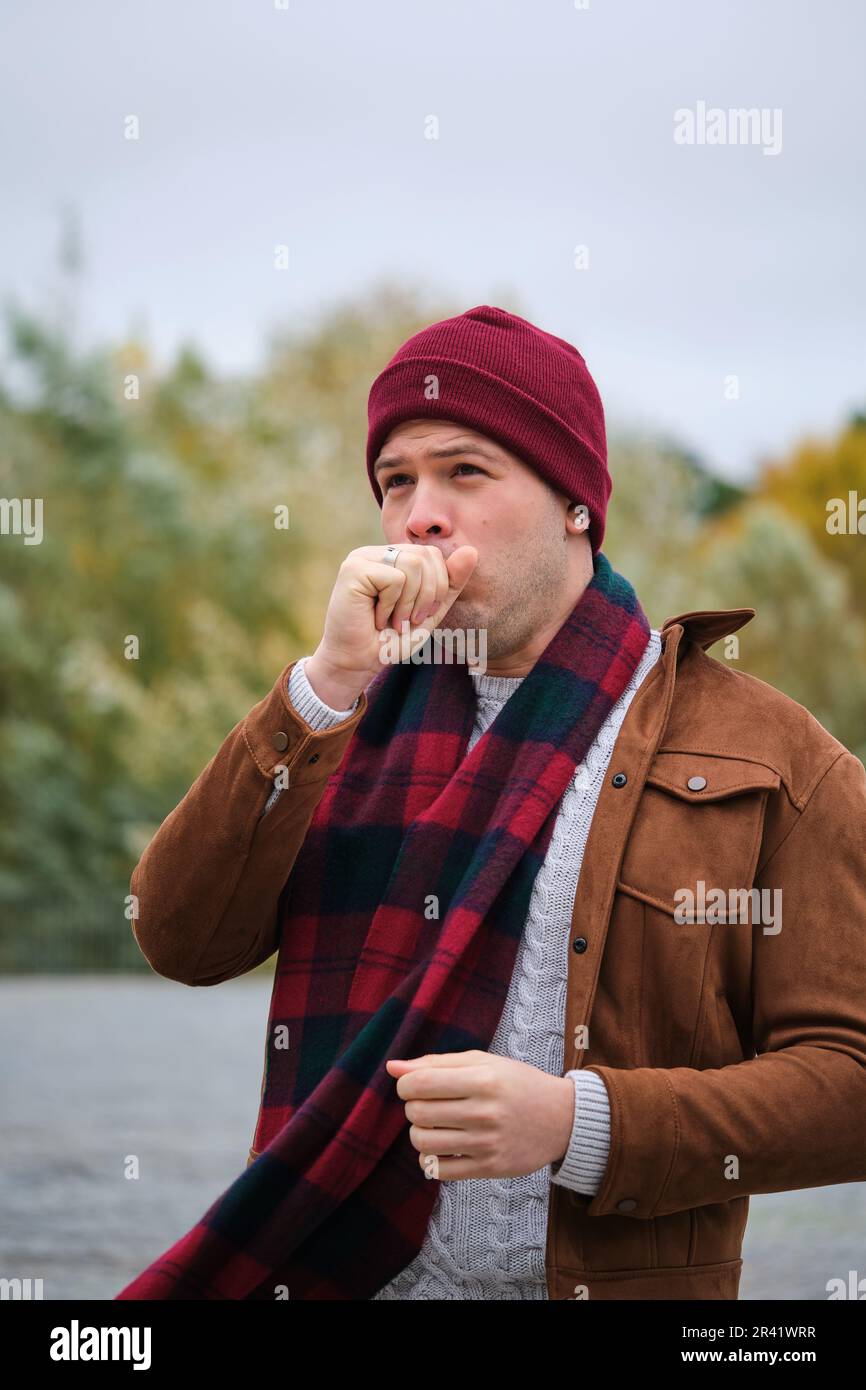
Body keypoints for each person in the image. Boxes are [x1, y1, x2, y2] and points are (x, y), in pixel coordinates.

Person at [123, 306, 866, 1302]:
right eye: (395, 482)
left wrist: (578, 1124)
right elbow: (181, 936)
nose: (418, 514)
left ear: (575, 505)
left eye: (465, 472)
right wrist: (323, 682)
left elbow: (850, 1082)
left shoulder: (768, 755)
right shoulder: (340, 719)